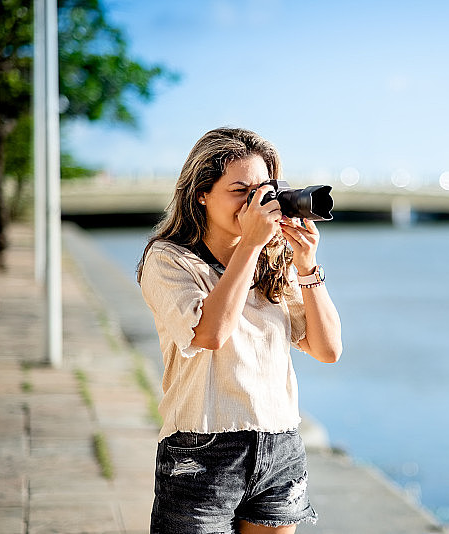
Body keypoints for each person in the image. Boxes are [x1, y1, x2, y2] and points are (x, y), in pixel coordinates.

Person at [137, 127, 342, 533]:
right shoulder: (169, 260)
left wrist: (306, 267)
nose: (253, 203)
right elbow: (209, 334)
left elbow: (328, 349)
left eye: (261, 191)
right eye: (239, 190)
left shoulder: (274, 260)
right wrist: (249, 245)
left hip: (280, 446)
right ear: (201, 193)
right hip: (203, 452)